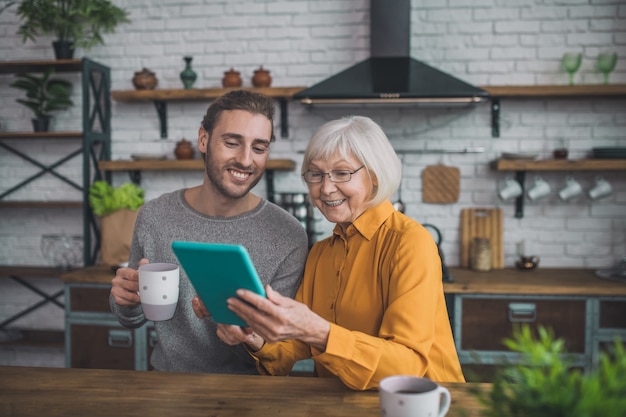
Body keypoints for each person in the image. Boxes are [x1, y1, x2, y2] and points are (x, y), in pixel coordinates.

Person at [195, 115, 465, 390]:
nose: (325, 188)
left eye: (342, 173)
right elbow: (292, 349)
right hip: (344, 404)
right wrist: (253, 337)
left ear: (374, 174)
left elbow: (407, 367)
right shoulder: (321, 253)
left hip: (425, 404)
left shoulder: (409, 242)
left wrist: (320, 333)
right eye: (316, 174)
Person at [110, 90, 309, 374]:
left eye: (259, 148)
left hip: (250, 395)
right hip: (166, 385)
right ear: (204, 140)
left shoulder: (288, 235)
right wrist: (126, 300)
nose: (245, 160)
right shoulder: (155, 216)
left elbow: (278, 350)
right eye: (232, 143)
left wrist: (245, 333)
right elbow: (131, 318)